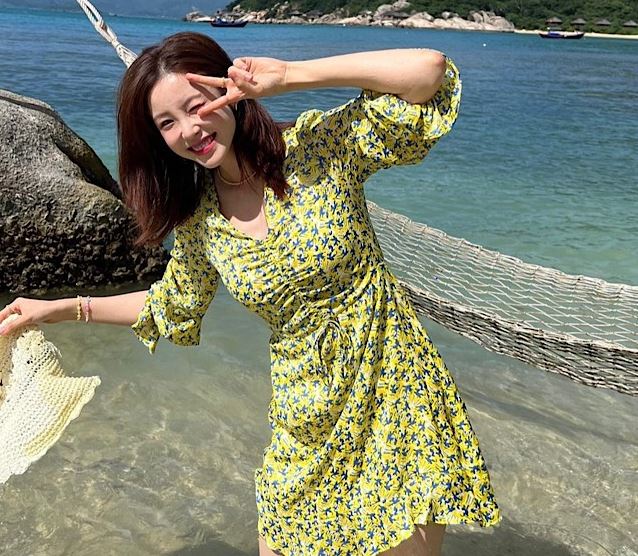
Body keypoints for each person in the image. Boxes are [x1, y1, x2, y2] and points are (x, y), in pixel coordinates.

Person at [0, 32, 500, 555]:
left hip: (395, 393)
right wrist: (62, 308)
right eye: (167, 123)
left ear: (231, 92)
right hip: (304, 411)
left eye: (197, 106)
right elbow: (169, 305)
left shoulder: (317, 149)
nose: (190, 130)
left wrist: (291, 76)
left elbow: (427, 72)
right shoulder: (200, 221)